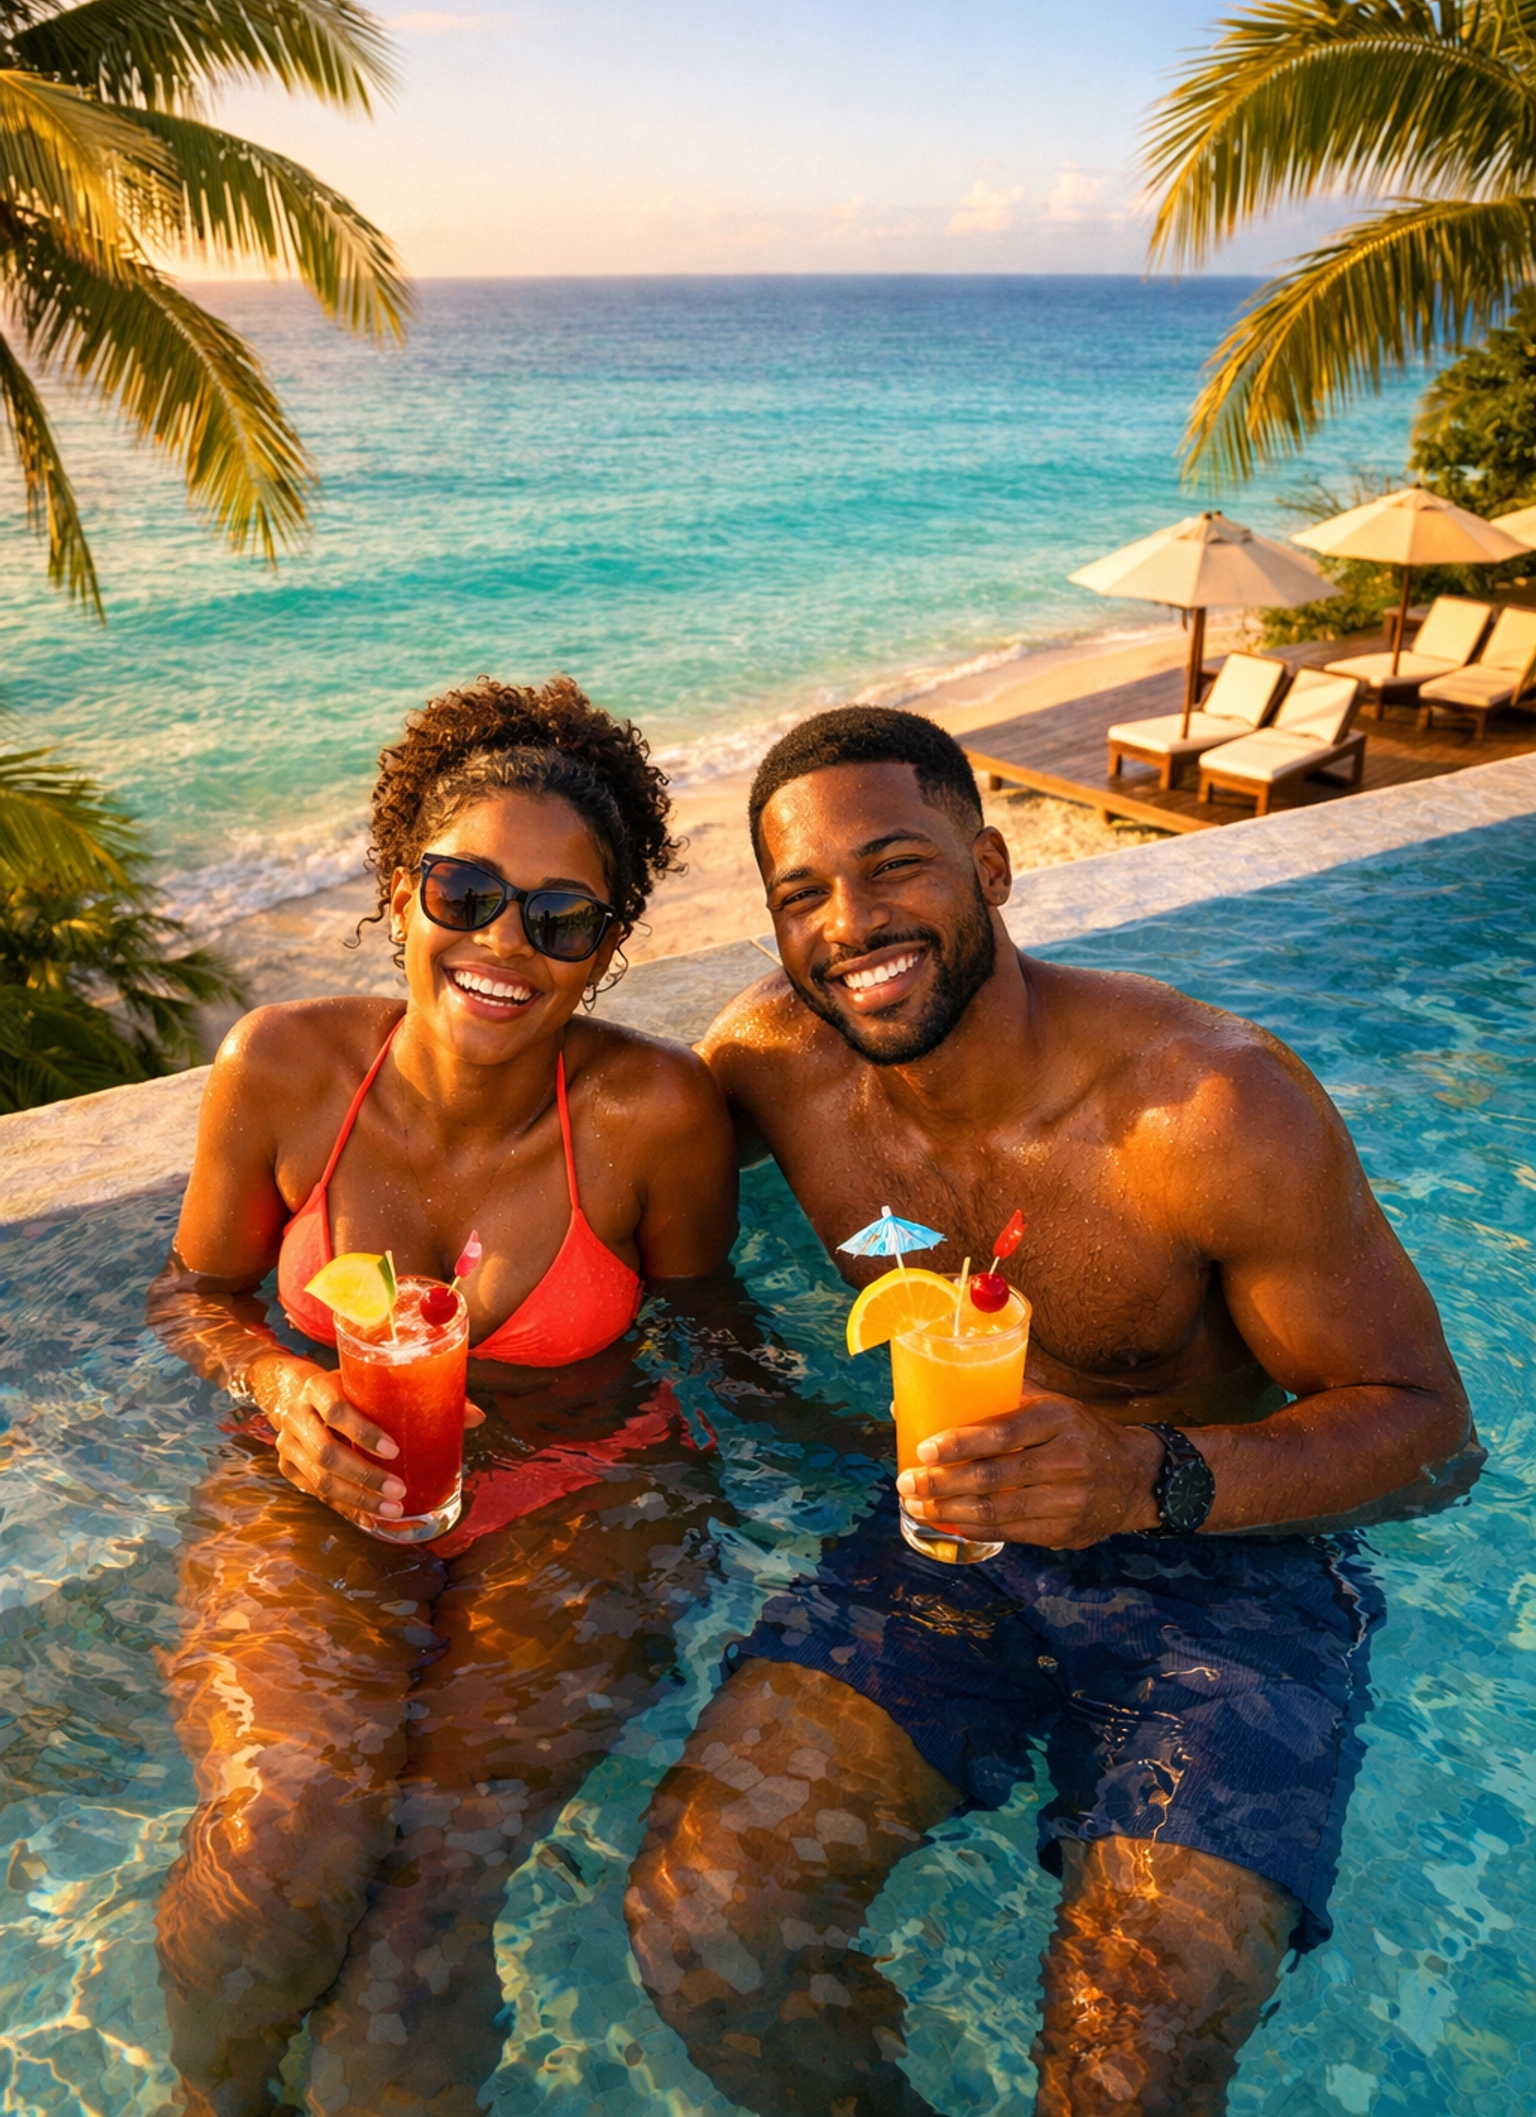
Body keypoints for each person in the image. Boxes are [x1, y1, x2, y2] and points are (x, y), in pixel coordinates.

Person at [624, 704, 1481, 2117]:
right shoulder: (773, 1069)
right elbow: (627, 1209)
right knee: (702, 1925)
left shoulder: (1207, 1109)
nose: (851, 922)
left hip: (1229, 1572)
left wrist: (1150, 1476)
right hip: (946, 1545)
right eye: (802, 895)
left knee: (1126, 2069)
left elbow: (1431, 1436)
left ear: (996, 866)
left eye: (895, 865)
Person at [147, 676, 741, 2117]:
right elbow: (191, 1296)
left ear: (603, 950)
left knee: (430, 1902)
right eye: (463, 891)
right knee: (285, 1833)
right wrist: (281, 1383)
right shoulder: (283, 1067)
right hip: (317, 1478)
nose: (501, 945)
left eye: (558, 918)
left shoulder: (652, 1115)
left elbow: (716, 1337)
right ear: (395, 888)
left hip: (581, 1497)